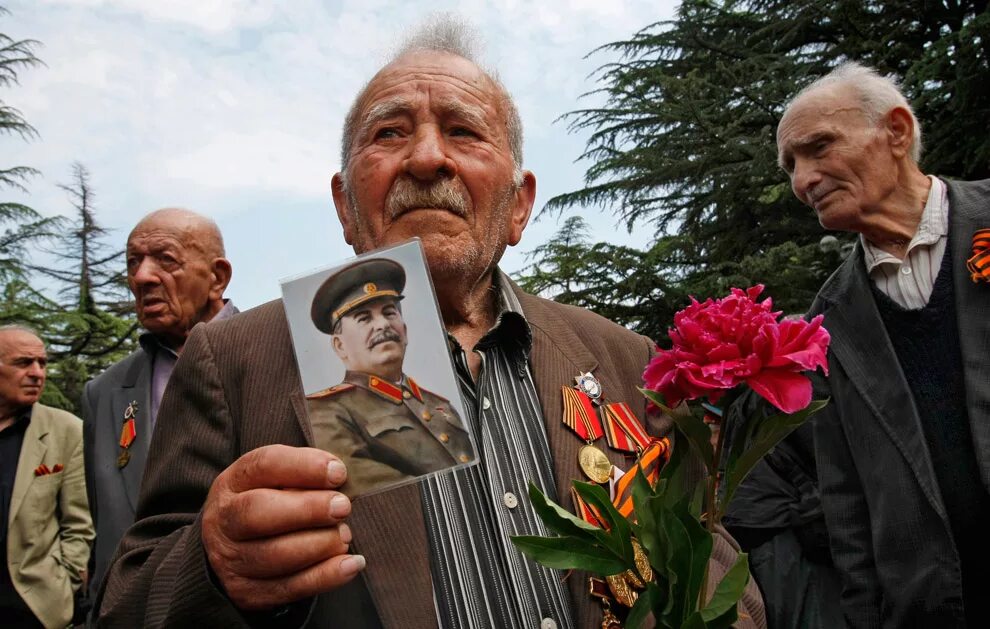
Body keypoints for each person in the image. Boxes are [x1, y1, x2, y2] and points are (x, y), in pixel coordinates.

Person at [99, 18, 764, 629]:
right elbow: (129, 602)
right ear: (345, 206)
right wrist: (213, 567)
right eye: (389, 133)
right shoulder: (235, 356)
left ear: (519, 205)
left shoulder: (626, 359)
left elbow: (714, 564)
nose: (425, 158)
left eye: (464, 131)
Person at [776, 61, 990, 627]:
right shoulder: (827, 321)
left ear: (895, 131)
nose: (802, 181)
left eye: (818, 148)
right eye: (791, 166)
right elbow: (844, 499)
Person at [81, 207, 236, 602]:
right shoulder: (103, 392)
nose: (142, 277)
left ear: (217, 277)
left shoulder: (279, 354)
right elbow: (103, 522)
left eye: (165, 260)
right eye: (134, 262)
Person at [306, 257, 472, 497]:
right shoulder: (325, 410)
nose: (383, 324)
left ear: (405, 331)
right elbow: (366, 488)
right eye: (364, 318)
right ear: (340, 346)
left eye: (389, 312)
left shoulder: (439, 405)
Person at [0, 325, 93, 628]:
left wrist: (65, 581)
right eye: (23, 363)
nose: (38, 373)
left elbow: (79, 523)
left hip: (34, 605)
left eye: (42, 362)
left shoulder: (65, 430)